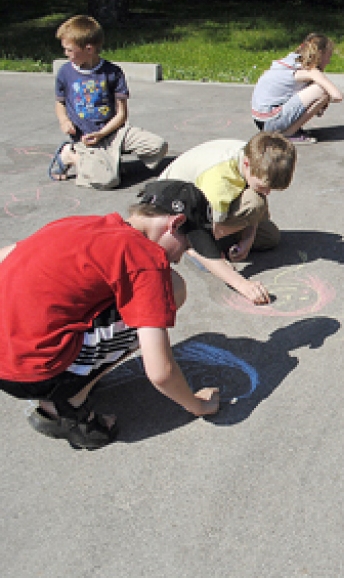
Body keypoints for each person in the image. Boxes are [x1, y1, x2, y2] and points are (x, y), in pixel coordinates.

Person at [0, 180, 223, 450]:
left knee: (152, 285)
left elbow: (7, 255)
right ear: (174, 224)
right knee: (170, 289)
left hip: (7, 354)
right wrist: (198, 405)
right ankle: (68, 405)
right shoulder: (145, 259)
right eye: (186, 245)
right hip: (33, 373)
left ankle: (72, 377)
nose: (179, 257)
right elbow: (161, 372)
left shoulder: (81, 225)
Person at [160, 133, 296, 305]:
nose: (267, 193)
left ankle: (215, 244)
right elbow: (202, 230)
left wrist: (248, 237)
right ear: (246, 164)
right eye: (264, 186)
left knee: (270, 237)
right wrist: (242, 284)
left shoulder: (257, 156)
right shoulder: (220, 184)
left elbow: (255, 200)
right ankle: (190, 247)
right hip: (174, 215)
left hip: (207, 204)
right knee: (254, 202)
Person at [49, 15, 168, 188]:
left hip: (114, 132)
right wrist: (64, 120)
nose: (66, 54)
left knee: (158, 146)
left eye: (69, 50)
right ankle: (71, 156)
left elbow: (122, 113)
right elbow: (60, 103)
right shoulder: (65, 73)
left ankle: (107, 161)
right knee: (108, 180)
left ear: (89, 49)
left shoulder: (113, 72)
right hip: (85, 138)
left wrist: (103, 133)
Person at [251, 32, 344, 144]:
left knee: (316, 90)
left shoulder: (291, 62)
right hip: (271, 122)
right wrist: (324, 100)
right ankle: (288, 133)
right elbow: (337, 96)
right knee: (322, 91)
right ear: (320, 54)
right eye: (328, 56)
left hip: (261, 120)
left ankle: (287, 128)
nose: (329, 61)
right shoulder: (310, 71)